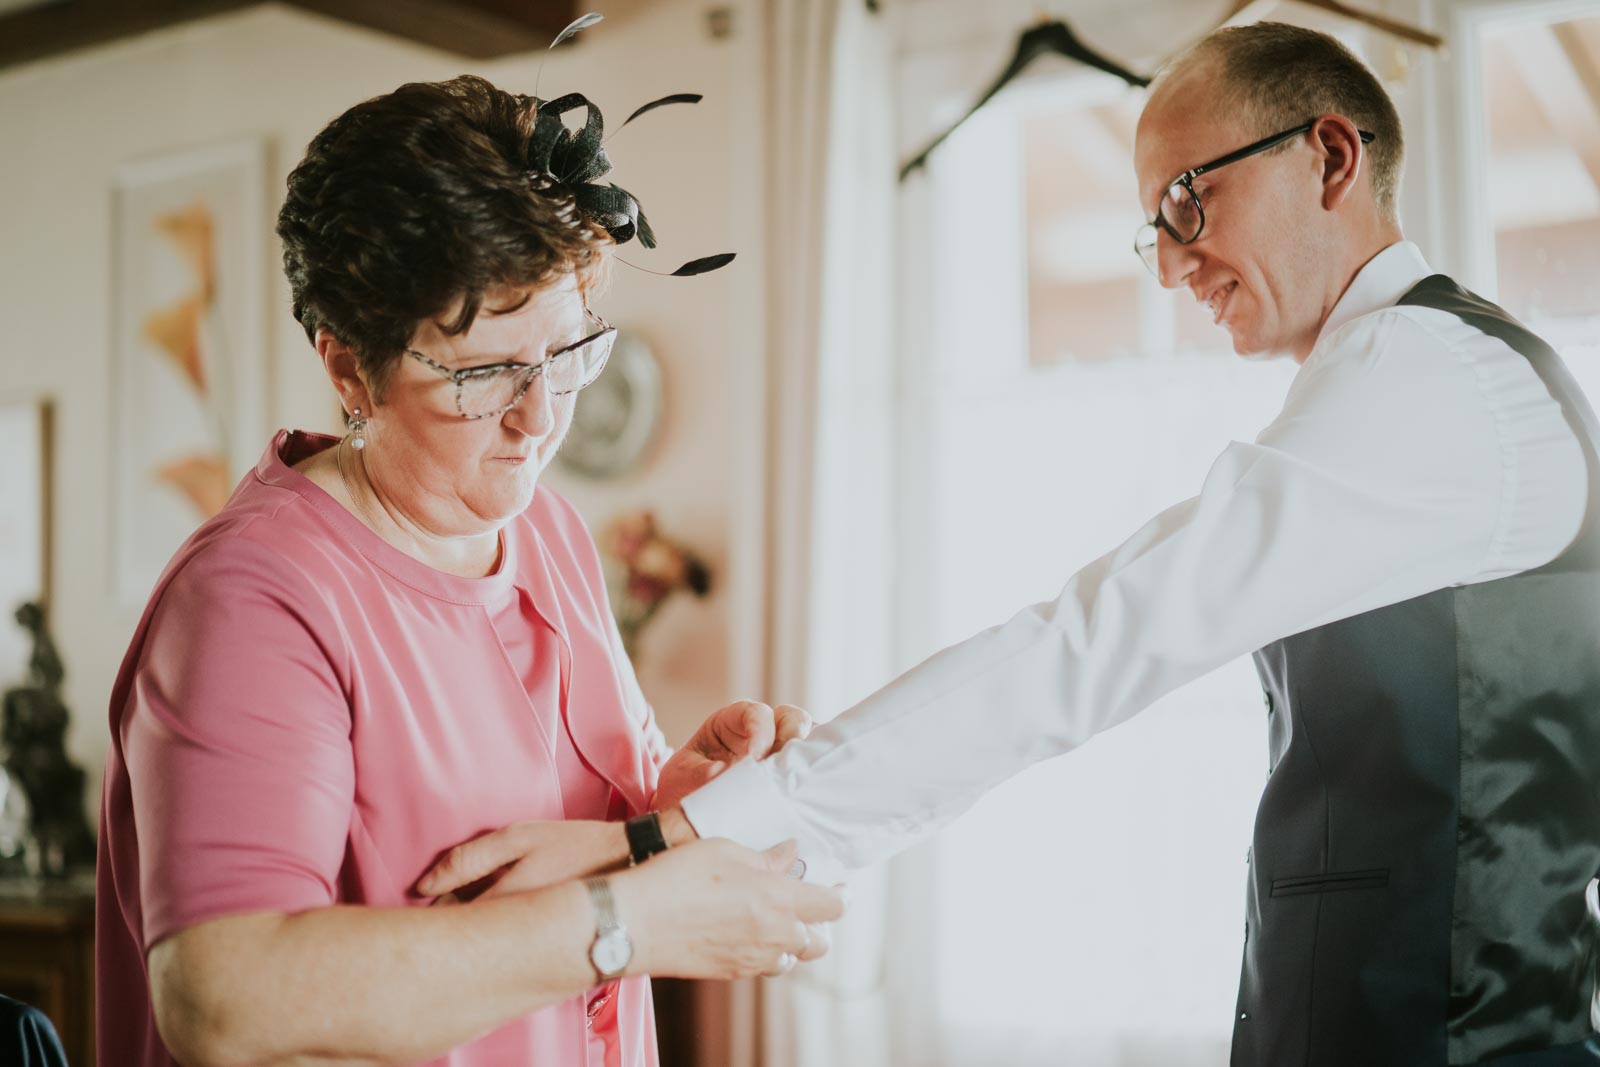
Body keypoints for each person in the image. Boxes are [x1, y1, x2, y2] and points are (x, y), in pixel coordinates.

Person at [445, 22, 1600, 1066]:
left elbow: (1088, 647)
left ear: (1330, 159)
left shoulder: (1426, 383)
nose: (1168, 262)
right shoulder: (1407, 381)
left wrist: (668, 839)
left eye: (1188, 202)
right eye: (1153, 225)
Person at [96, 69, 843, 1067]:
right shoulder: (257, 598)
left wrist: (675, 803)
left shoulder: (552, 533)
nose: (539, 420)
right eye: (485, 372)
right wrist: (629, 919)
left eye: (568, 352)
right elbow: (227, 996)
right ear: (350, 366)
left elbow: (551, 831)